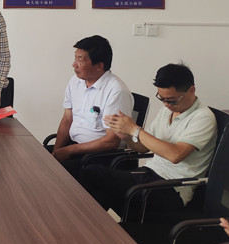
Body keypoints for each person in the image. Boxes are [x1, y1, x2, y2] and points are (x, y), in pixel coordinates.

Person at [80, 63, 217, 215]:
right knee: (100, 192)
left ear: (191, 90)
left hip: (172, 188)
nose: (166, 104)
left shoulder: (203, 117)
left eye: (172, 100)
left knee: (93, 173)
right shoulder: (166, 111)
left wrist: (134, 129)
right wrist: (126, 136)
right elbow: (143, 148)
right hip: (148, 174)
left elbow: (175, 155)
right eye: (162, 98)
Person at [51, 35, 133, 178]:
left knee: (51, 174)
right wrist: (55, 154)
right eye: (75, 58)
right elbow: (67, 119)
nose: (74, 64)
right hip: (74, 146)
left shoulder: (116, 91)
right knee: (37, 159)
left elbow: (111, 141)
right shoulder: (75, 81)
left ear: (99, 66)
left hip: (99, 156)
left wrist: (69, 150)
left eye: (80, 60)